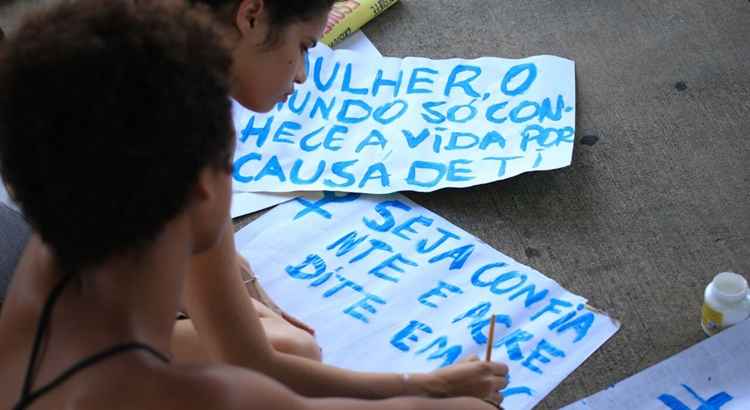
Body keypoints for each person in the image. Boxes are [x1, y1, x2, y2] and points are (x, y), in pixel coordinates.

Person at [0, 1, 506, 409]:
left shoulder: (47, 258)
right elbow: (264, 377)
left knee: (292, 348)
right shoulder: (221, 397)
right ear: (204, 191)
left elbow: (248, 353)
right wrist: (435, 392)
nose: (304, 75)